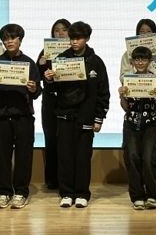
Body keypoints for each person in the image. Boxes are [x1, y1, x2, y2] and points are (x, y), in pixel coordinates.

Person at [43, 21, 110, 208]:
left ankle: (81, 193)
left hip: (86, 117)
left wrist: (99, 118)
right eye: (72, 38)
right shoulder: (61, 59)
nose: (74, 41)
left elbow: (103, 92)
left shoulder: (96, 62)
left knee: (82, 156)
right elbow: (53, 90)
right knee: (64, 156)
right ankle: (66, 193)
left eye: (78, 38)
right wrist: (49, 80)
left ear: (86, 38)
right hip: (64, 115)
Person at [0, 23, 42, 209]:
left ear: (20, 40)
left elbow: (37, 92)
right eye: (5, 39)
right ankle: (4, 192)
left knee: (24, 156)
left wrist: (33, 89)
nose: (9, 42)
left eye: (13, 38)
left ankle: (21, 192)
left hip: (24, 116)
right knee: (2, 156)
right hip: (2, 116)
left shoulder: (29, 63)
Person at [119, 46, 156, 210]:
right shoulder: (127, 80)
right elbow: (126, 107)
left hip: (151, 124)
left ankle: (153, 195)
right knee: (132, 157)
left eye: (144, 59)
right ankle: (137, 196)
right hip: (131, 123)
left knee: (149, 158)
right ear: (132, 62)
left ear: (149, 61)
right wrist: (122, 96)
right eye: (137, 59)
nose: (140, 62)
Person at [36, 18, 71, 190]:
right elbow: (37, 76)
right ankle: (51, 180)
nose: (60, 33)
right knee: (50, 139)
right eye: (57, 30)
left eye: (64, 29)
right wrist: (41, 64)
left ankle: (67, 180)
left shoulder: (74, 51)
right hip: (50, 100)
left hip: (69, 100)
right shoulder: (46, 51)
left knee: (67, 140)